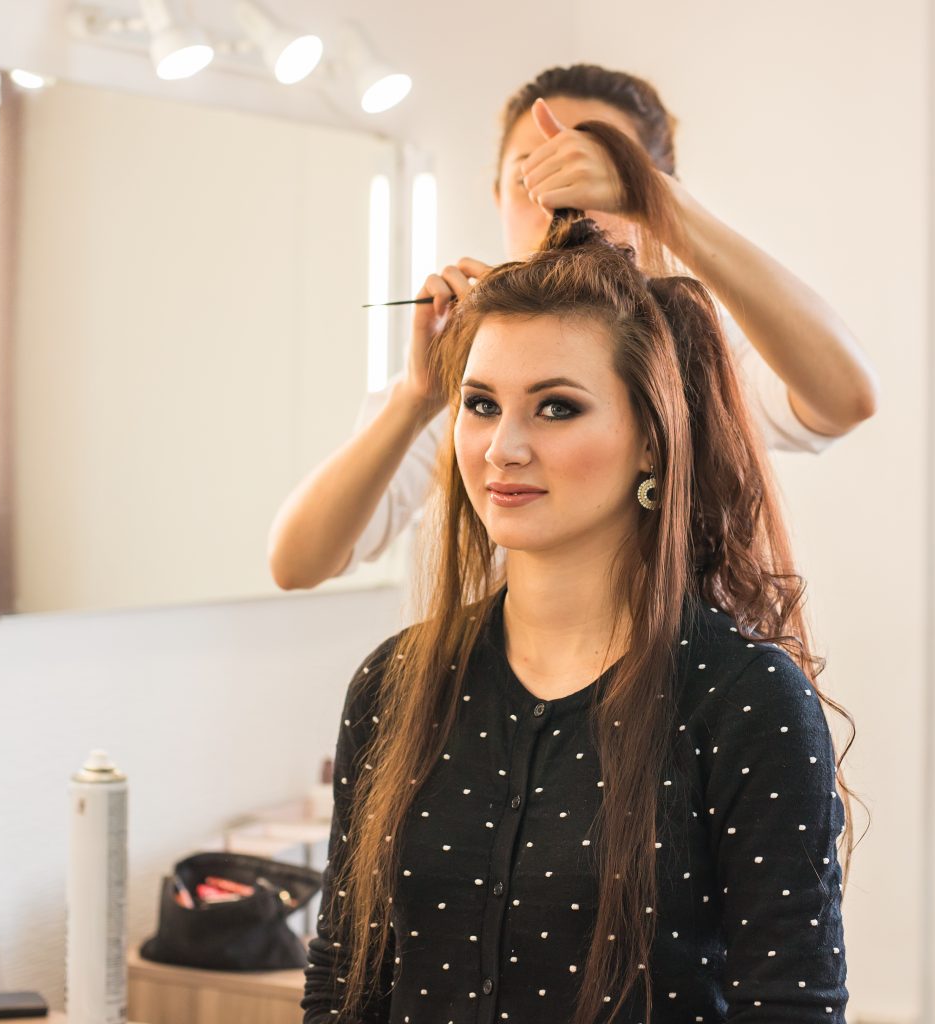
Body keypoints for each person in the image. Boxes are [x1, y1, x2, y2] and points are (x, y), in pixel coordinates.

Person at [301, 117, 857, 1024]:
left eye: (556, 408)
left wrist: (660, 202)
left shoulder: (744, 702)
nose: (503, 449)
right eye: (481, 405)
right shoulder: (394, 686)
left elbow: (790, 1007)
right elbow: (344, 984)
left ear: (652, 441)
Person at [269, 64, 878, 591]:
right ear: (497, 195)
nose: (560, 200)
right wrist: (416, 399)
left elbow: (844, 398)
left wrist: (665, 204)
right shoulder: (464, 376)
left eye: (593, 173)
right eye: (531, 176)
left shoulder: (695, 351)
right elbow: (298, 563)